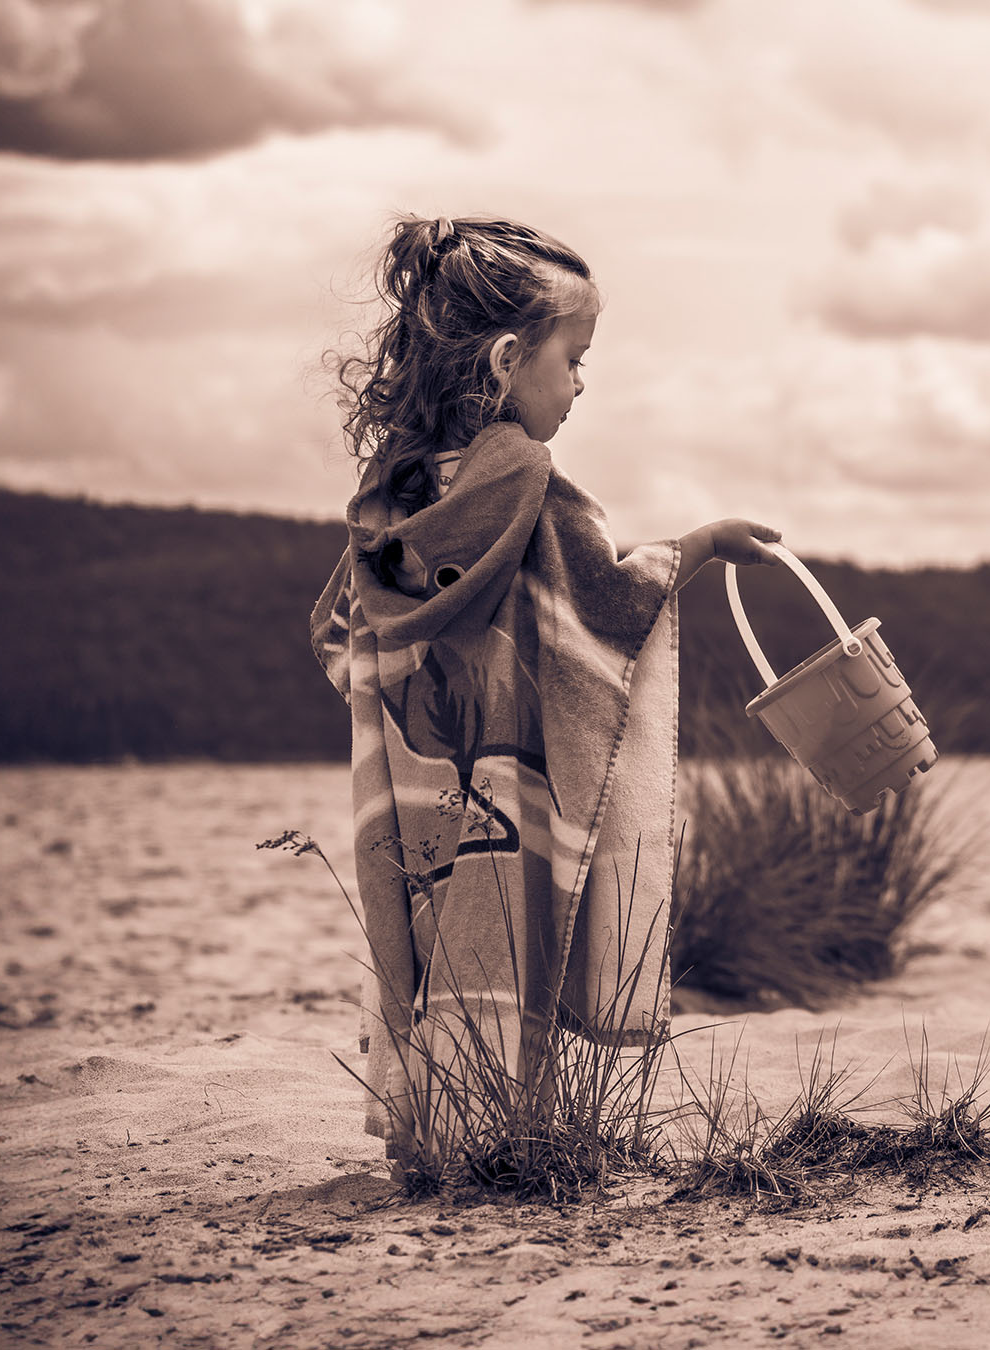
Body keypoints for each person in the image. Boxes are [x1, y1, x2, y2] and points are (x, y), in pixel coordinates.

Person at [309, 214, 780, 1151]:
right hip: (505, 774)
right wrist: (700, 546)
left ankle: (425, 1133)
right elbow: (603, 593)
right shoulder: (526, 478)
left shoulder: (396, 495)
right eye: (573, 359)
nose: (577, 385)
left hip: (410, 778)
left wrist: (410, 683)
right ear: (506, 361)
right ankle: (494, 1136)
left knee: (428, 923)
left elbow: (336, 627)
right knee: (502, 937)